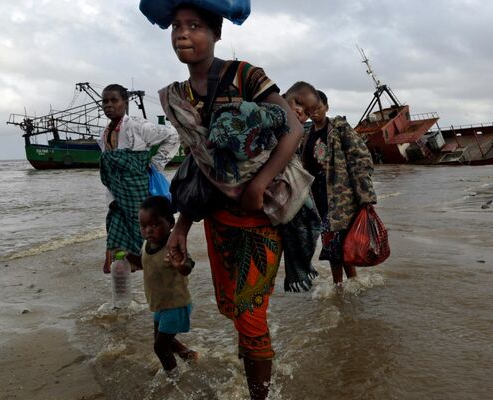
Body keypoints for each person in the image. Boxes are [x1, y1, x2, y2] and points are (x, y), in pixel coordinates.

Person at [154, 4, 305, 399]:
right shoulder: (180, 95)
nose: (182, 34)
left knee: (251, 313)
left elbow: (292, 128)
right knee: (234, 309)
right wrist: (181, 229)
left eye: (195, 26)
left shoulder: (245, 75)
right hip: (218, 221)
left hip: (262, 215)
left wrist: (260, 183)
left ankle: (260, 394)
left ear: (216, 33)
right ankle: (254, 368)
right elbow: (197, 167)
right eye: (176, 26)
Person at [99, 84, 181, 273]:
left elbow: (173, 135)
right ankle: (126, 290)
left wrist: (157, 163)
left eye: (114, 100)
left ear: (125, 103)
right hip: (118, 196)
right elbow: (110, 173)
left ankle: (157, 274)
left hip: (137, 191)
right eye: (105, 101)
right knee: (117, 241)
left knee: (145, 236)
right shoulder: (103, 134)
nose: (108, 105)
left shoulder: (137, 126)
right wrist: (111, 200)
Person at [298, 89, 377, 285]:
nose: (314, 112)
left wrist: (366, 196)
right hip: (319, 197)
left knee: (339, 243)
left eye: (318, 107)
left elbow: (361, 159)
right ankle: (346, 287)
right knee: (335, 244)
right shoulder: (306, 135)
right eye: (310, 109)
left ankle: (345, 286)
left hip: (342, 198)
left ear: (327, 107)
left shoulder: (340, 129)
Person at [138, 196, 198, 378]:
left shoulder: (172, 247)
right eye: (143, 226)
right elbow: (148, 264)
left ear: (171, 223)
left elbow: (188, 264)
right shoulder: (147, 244)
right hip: (161, 304)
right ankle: (188, 354)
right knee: (163, 340)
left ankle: (174, 378)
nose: (148, 230)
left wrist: (180, 265)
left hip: (175, 305)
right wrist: (129, 258)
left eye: (154, 225)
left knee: (160, 346)